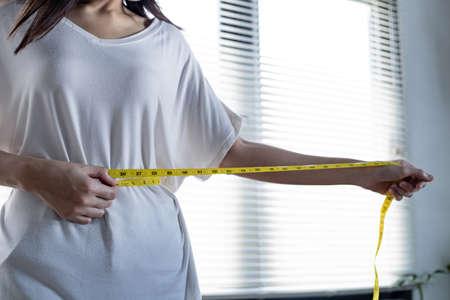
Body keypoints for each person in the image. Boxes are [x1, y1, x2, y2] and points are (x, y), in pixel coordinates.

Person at [0, 0, 434, 299]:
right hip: (38, 263)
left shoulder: (167, 43)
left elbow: (231, 152)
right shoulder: (12, 21)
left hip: (153, 265)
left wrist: (362, 171)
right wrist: (33, 174)